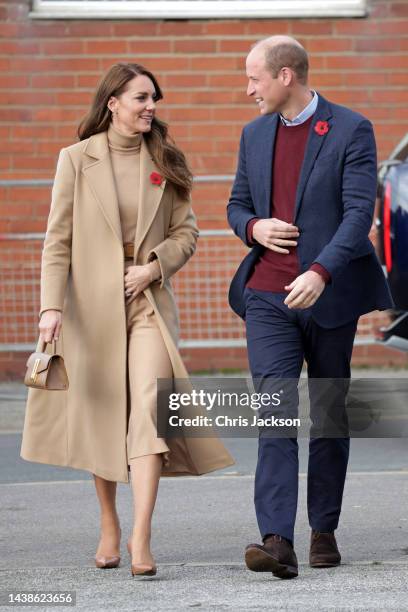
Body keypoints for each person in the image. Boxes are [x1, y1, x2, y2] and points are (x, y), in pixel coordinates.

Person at [21, 62, 233, 577]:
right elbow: (58, 241)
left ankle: (141, 537)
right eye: (141, 97)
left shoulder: (166, 159)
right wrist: (51, 307)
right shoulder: (75, 160)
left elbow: (187, 233)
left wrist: (153, 267)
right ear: (112, 102)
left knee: (149, 408)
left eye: (153, 98)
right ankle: (109, 524)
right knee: (104, 417)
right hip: (88, 312)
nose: (151, 106)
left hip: (147, 306)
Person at [227, 36, 393, 579]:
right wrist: (254, 226)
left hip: (328, 297)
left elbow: (356, 216)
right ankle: (277, 539)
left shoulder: (351, 129)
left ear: (286, 77)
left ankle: (323, 530)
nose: (248, 89)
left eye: (255, 78)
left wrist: (320, 271)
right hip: (268, 298)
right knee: (274, 414)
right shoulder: (253, 135)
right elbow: (235, 205)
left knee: (327, 415)